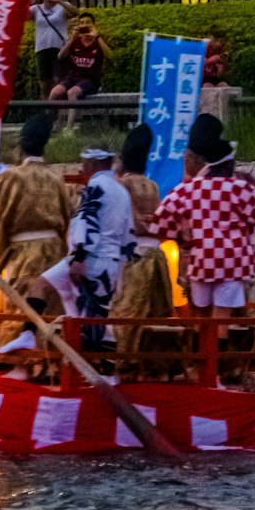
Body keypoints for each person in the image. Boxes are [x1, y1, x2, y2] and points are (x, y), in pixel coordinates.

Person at [149, 113, 255, 386]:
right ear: (228, 162)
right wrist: (241, 224)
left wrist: (183, 238)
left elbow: (161, 220)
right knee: (222, 322)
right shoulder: (241, 187)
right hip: (233, 262)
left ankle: (199, 369)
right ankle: (217, 373)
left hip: (200, 261)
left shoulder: (190, 189)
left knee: (200, 319)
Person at [0, 110, 73, 352]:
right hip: (55, 250)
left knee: (22, 303)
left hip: (24, 252)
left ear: (21, 147)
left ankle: (24, 362)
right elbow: (67, 214)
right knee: (52, 305)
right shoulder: (56, 177)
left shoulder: (11, 177)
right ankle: (51, 362)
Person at [40, 144, 136, 347]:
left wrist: (80, 256)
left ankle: (105, 372)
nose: (81, 170)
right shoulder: (121, 191)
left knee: (94, 320)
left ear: (93, 164)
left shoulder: (96, 187)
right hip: (110, 260)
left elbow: (87, 221)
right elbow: (129, 230)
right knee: (94, 316)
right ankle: (99, 370)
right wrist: (123, 261)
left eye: (84, 164)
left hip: (91, 258)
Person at [109, 122, 174, 376]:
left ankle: (122, 361)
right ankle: (158, 364)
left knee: (126, 312)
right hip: (155, 254)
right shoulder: (152, 185)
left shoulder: (122, 185)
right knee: (157, 313)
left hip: (132, 255)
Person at [48, 12, 109, 103]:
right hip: (73, 77)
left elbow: (109, 55)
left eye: (88, 22)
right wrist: (72, 39)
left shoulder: (99, 41)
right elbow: (60, 56)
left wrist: (97, 36)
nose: (85, 25)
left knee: (72, 93)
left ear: (93, 25)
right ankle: (48, 116)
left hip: (90, 80)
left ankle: (73, 118)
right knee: (55, 92)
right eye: (82, 23)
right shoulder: (75, 41)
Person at [30, 0, 73, 95]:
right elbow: (22, 16)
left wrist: (59, 0)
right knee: (44, 83)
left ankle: (58, 111)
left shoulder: (62, 7)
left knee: (58, 81)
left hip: (59, 48)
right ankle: (46, 111)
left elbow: (75, 13)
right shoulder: (36, 9)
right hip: (42, 49)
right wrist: (31, 1)